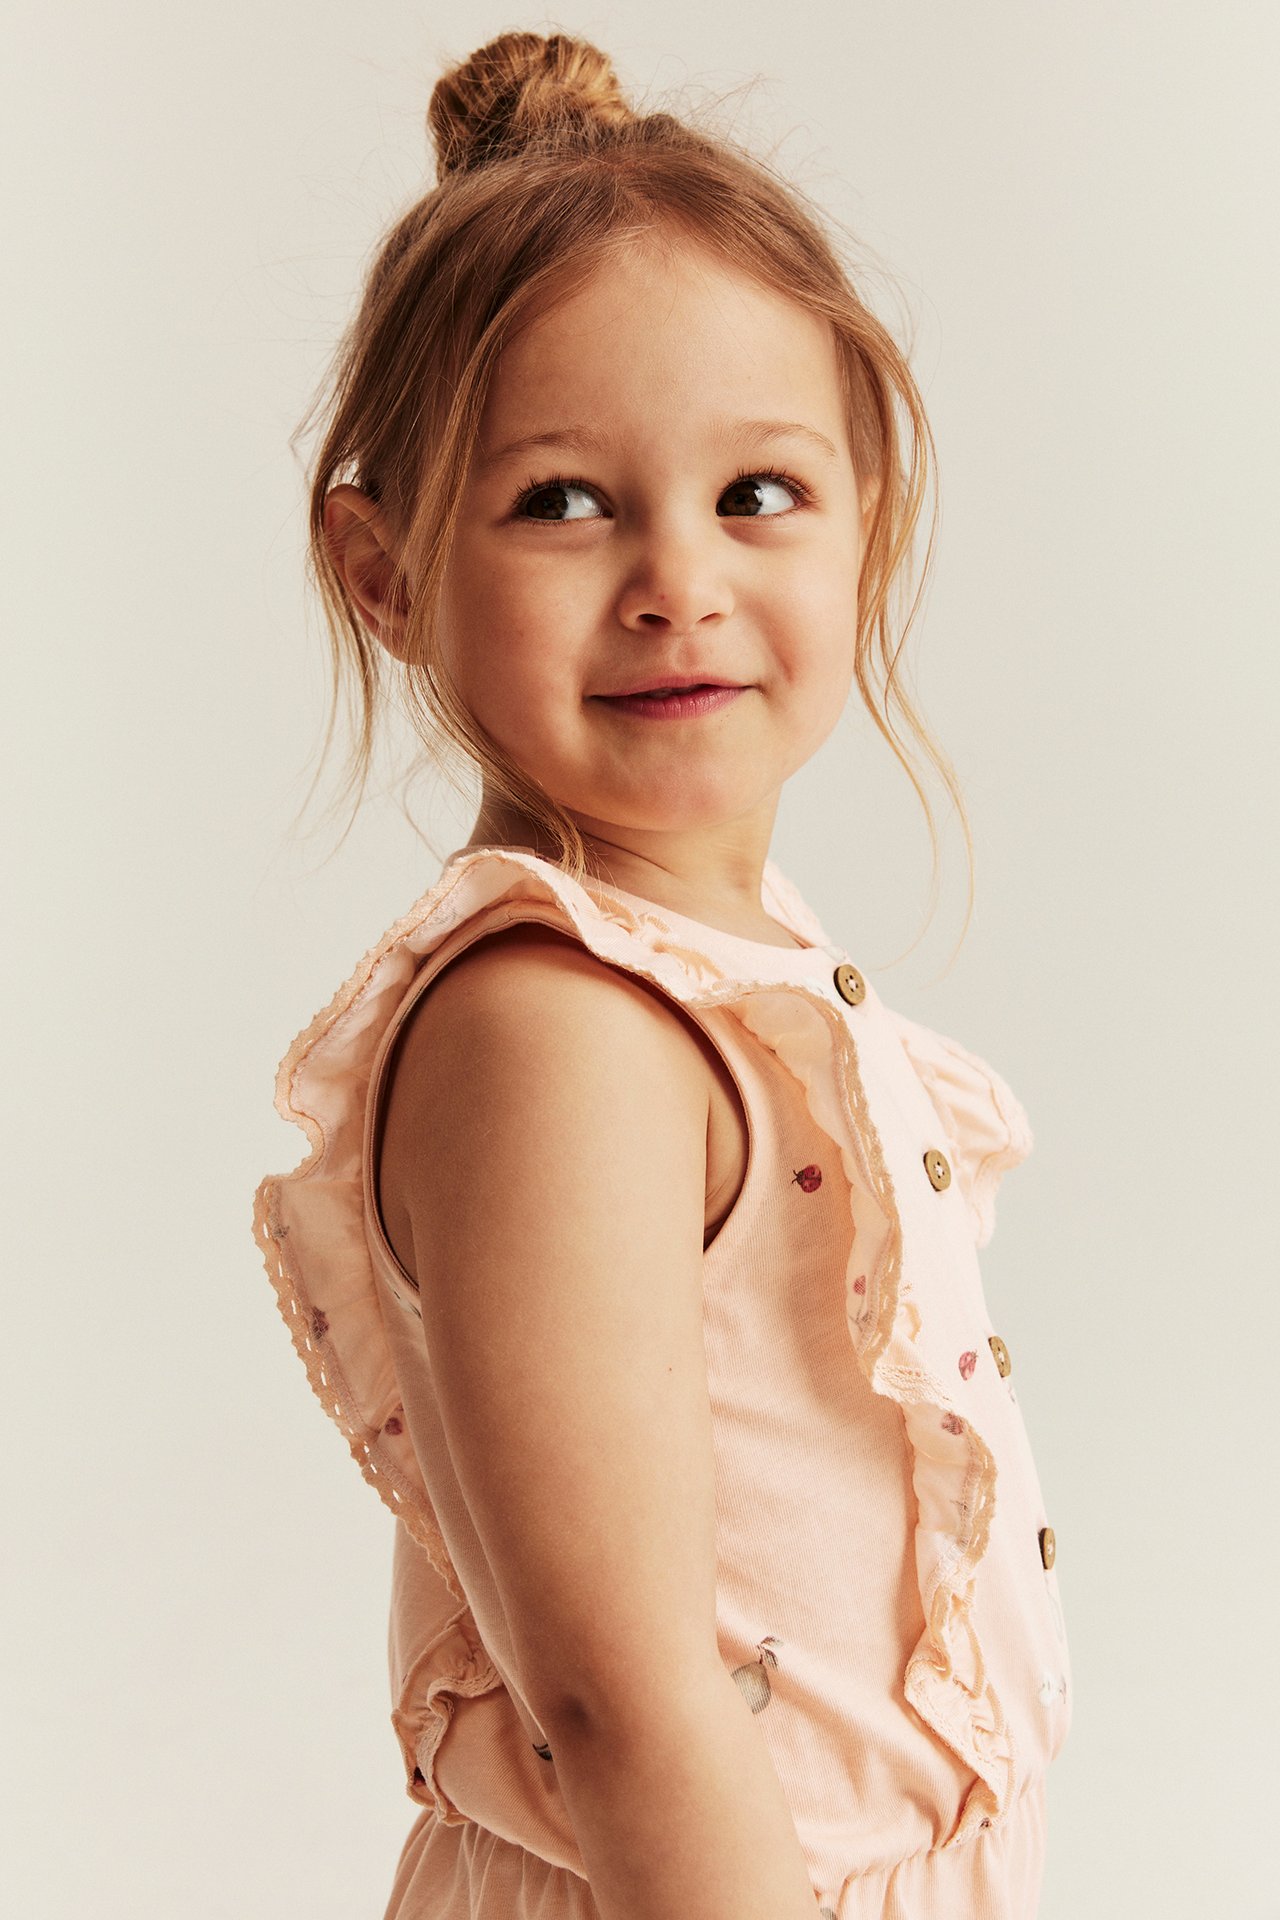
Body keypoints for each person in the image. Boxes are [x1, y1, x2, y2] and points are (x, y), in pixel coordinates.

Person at [251, 28, 1071, 1920]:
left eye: (758, 494)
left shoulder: (726, 964)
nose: (675, 581)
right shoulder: (555, 1033)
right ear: (383, 575)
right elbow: (616, 1698)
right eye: (560, 502)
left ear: (867, 513)